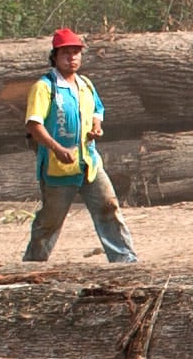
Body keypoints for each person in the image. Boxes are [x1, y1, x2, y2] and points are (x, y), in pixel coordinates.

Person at [21, 28, 138, 264]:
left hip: (89, 164)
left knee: (109, 208)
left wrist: (97, 127)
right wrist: (57, 149)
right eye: (66, 53)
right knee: (50, 222)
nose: (72, 57)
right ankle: (31, 266)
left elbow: (97, 110)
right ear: (55, 56)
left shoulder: (86, 85)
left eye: (76, 52)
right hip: (58, 169)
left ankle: (125, 262)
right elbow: (34, 125)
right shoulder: (45, 87)